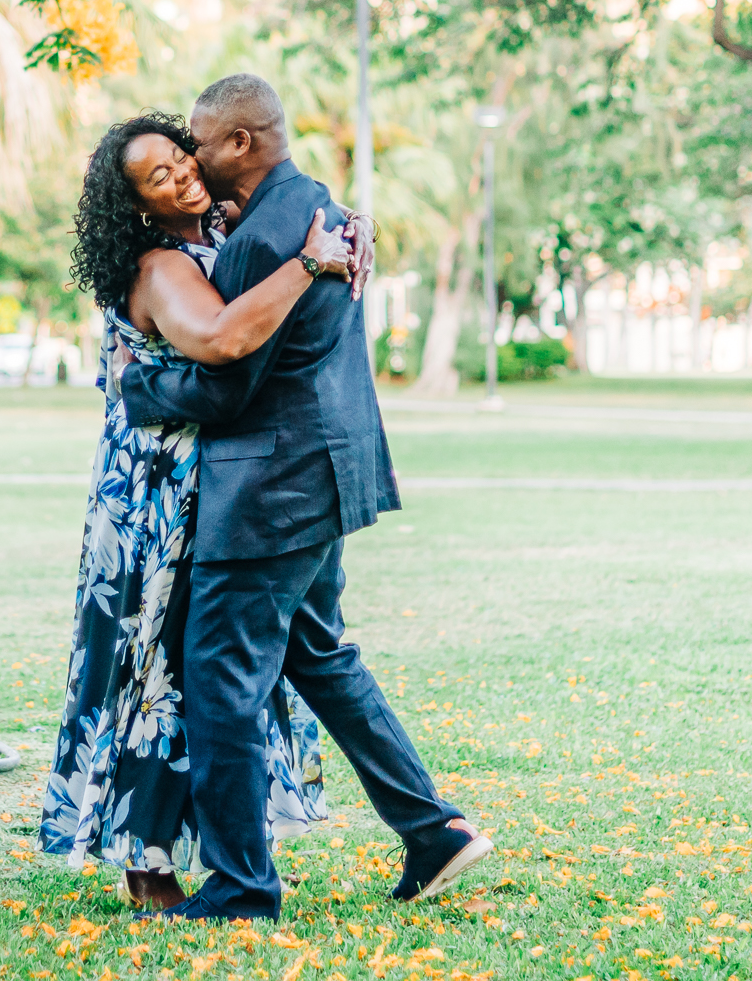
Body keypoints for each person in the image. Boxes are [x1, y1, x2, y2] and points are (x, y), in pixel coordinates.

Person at [118, 73, 489, 922]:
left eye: (200, 143)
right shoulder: (317, 208)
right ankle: (433, 832)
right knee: (319, 656)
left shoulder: (260, 246)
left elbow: (226, 391)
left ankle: (244, 887)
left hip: (268, 493)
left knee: (221, 685)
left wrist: (144, 387)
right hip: (326, 477)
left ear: (240, 145)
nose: (192, 156)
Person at [41, 111, 363, 909]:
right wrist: (314, 262)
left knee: (199, 669)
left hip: (211, 476)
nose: (183, 173)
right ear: (139, 207)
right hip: (157, 487)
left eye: (181, 157)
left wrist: (355, 233)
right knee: (154, 668)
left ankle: (210, 853)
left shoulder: (220, 226)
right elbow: (220, 339)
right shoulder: (158, 265)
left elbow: (304, 205)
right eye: (159, 177)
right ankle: (147, 861)